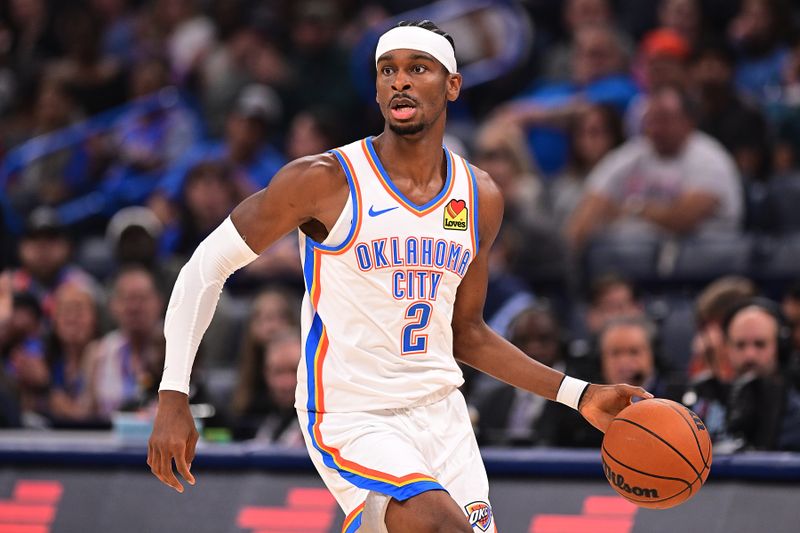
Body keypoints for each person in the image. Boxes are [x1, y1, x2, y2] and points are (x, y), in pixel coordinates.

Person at [148, 20, 651, 532]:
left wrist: (580, 395)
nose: (400, 82)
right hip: (351, 415)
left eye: (418, 69)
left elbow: (468, 335)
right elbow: (204, 268)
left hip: (443, 415)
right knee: (439, 526)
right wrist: (172, 394)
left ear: (452, 85)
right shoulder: (324, 181)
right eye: (388, 70)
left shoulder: (479, 196)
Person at [566, 85, 743, 250]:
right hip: (640, 257)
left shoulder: (708, 157)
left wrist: (634, 209)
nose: (656, 129)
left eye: (664, 120)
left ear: (688, 122)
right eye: (651, 120)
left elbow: (683, 218)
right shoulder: (633, 154)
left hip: (704, 254)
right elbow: (591, 205)